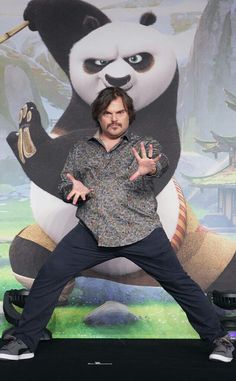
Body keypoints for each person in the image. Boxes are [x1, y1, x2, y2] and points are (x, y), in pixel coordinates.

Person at [0, 87, 234, 362]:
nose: (114, 118)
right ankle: (25, 340)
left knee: (181, 285)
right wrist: (71, 189)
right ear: (98, 116)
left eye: (120, 112)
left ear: (128, 115)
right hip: (92, 234)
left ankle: (220, 340)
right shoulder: (82, 150)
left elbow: (162, 164)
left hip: (141, 233)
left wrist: (152, 168)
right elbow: (67, 183)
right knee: (50, 276)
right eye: (108, 113)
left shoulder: (145, 146)